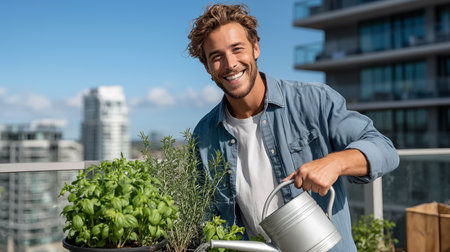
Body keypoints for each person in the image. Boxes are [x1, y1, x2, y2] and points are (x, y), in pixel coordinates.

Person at [188, 4, 399, 251]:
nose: (230, 63)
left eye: (237, 49)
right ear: (207, 67)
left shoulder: (314, 100)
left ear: (255, 48)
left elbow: (384, 150)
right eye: (216, 57)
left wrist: (334, 162)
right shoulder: (204, 135)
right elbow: (206, 218)